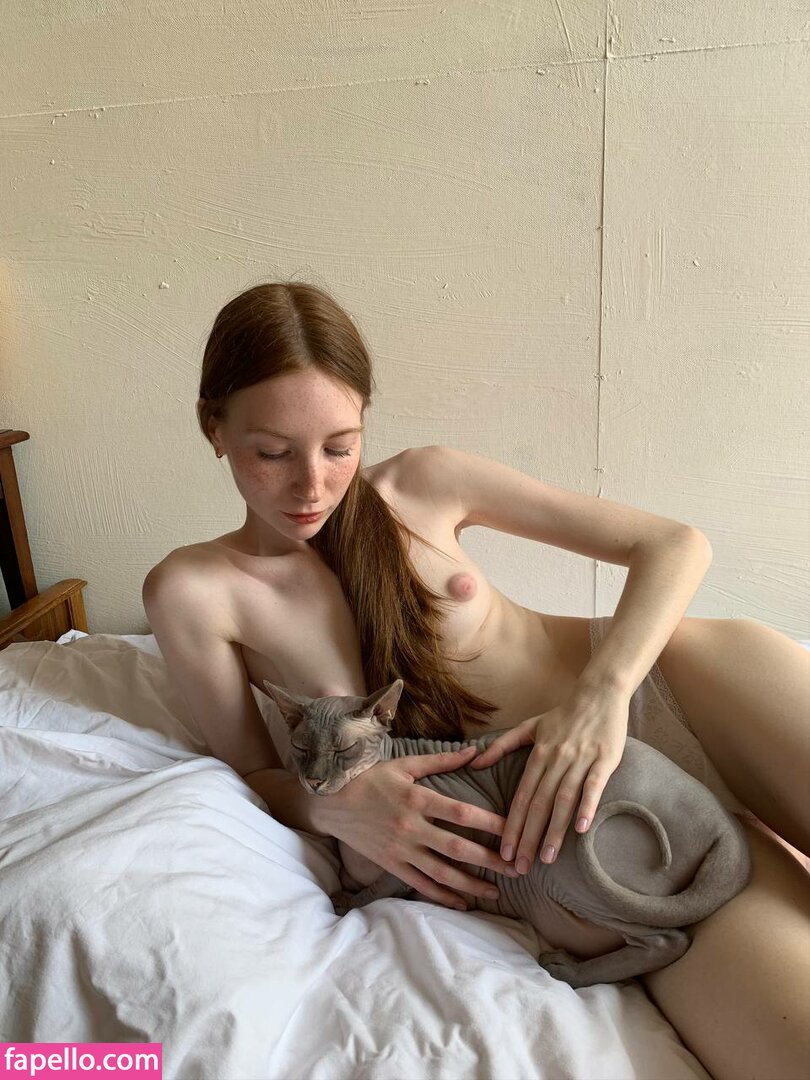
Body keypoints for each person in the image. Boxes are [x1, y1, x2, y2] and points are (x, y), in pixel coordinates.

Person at [143, 280, 810, 1078]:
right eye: (273, 452)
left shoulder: (423, 483)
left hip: (683, 688)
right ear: (213, 427)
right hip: (586, 828)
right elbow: (255, 775)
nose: (312, 485)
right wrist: (338, 805)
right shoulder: (195, 591)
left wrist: (600, 698)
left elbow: (674, 546)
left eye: (339, 446)